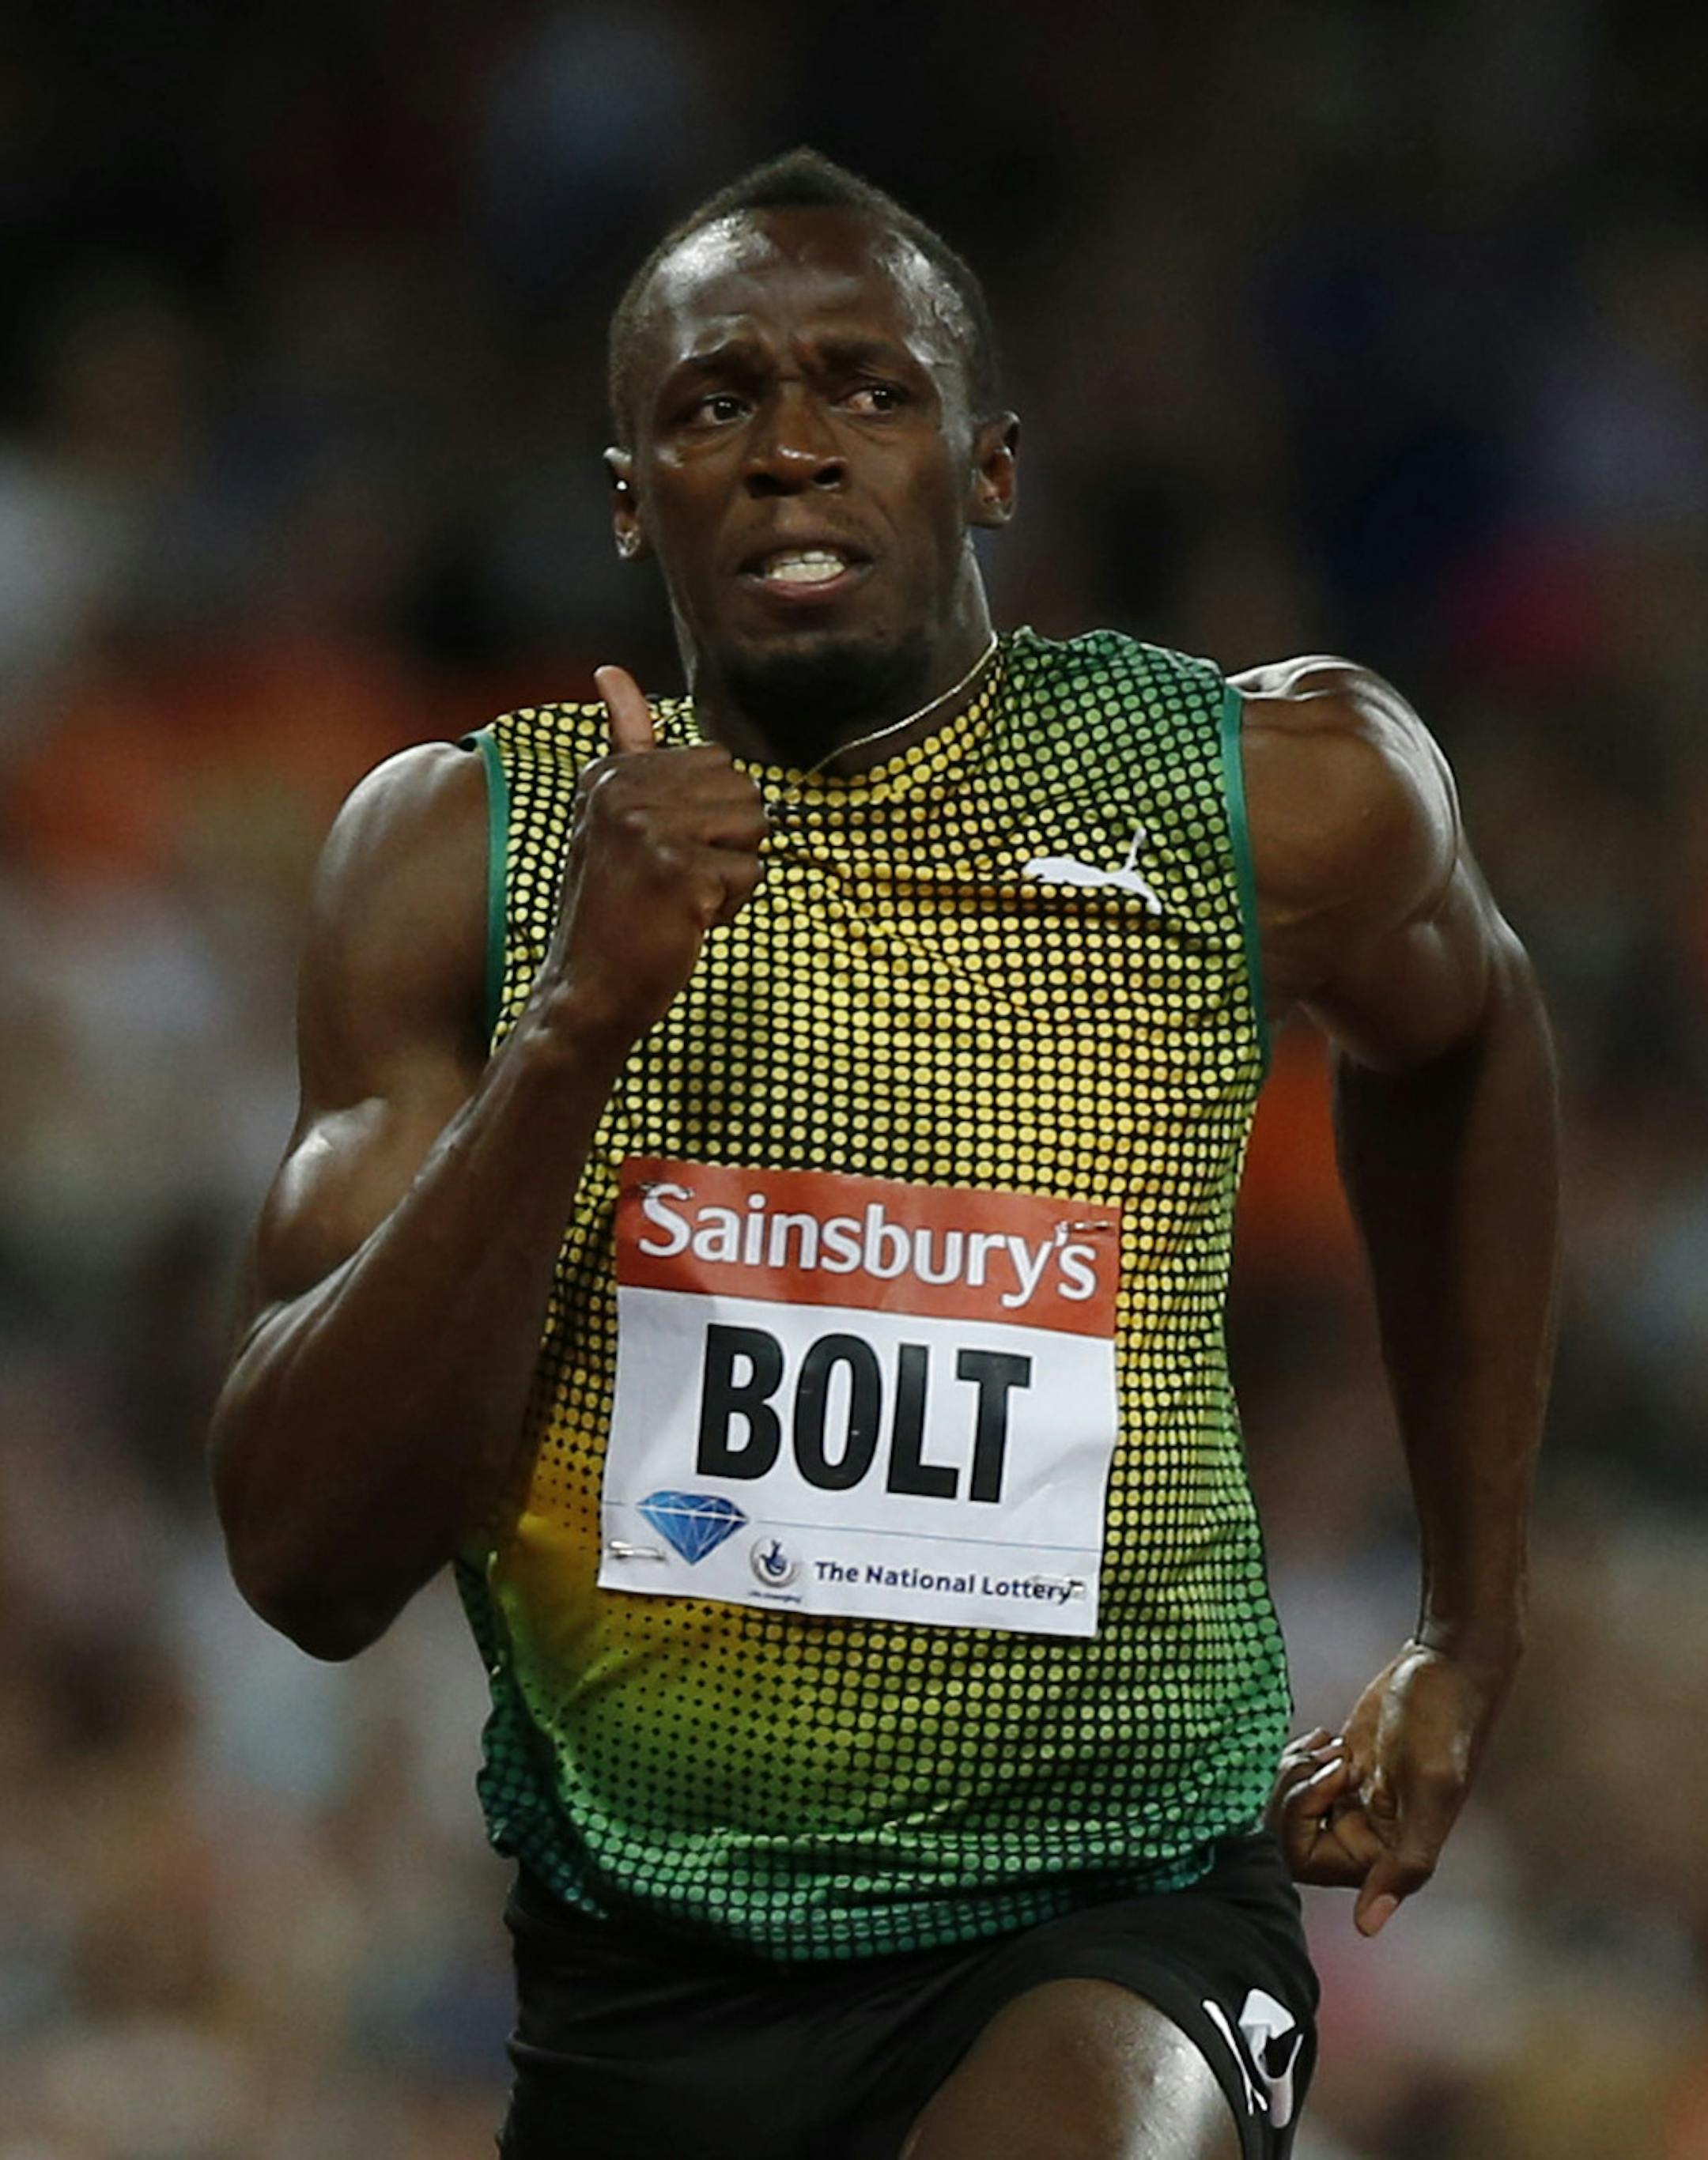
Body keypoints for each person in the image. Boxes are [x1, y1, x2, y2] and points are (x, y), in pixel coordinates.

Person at [209, 149, 1559, 2160]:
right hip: (646, 1965)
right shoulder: (459, 861)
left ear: (990, 465)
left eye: (870, 388)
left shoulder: (1270, 799)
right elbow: (305, 1560)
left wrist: (1466, 1625)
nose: (793, 448)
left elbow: (1469, 1042)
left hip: (1119, 1906)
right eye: (716, 401)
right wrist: (576, 1026)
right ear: (627, 497)